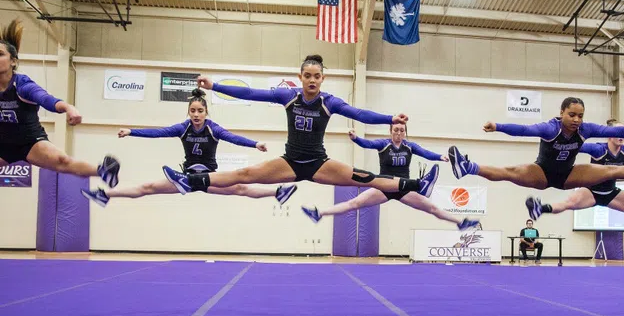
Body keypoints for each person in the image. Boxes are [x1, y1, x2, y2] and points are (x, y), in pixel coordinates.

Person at [161, 54, 439, 199]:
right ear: (300, 76)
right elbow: (251, 93)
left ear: (323, 78)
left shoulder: (330, 102)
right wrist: (215, 86)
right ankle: (190, 181)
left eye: (317, 76)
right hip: (290, 161)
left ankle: (418, 185)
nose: (312, 80)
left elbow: (360, 113)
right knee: (244, 173)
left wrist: (389, 118)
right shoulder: (288, 96)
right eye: (307, 76)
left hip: (319, 162)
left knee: (367, 178)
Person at [80, 89, 296, 207]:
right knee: (148, 187)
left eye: (200, 111)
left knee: (241, 189)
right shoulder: (183, 128)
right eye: (192, 110)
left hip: (210, 178)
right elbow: (159, 132)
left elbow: (232, 137)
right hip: (186, 178)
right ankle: (105, 195)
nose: (195, 114)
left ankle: (277, 192)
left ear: (205, 112)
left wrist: (255, 144)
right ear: (188, 111)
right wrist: (132, 131)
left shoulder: (213, 129)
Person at [446, 97, 624, 191]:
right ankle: (468, 167)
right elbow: (524, 131)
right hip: (542, 174)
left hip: (569, 175)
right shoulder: (550, 128)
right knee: (510, 172)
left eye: (580, 115)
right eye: (572, 115)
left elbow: (618, 130)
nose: (576, 120)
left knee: (613, 170)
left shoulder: (586, 129)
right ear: (562, 113)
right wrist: (497, 126)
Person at [0, 18, 120, 187]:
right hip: (3, 144)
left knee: (63, 162)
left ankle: (105, 171)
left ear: (13, 61)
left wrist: (68, 108)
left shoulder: (22, 85)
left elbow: (46, 99)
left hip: (29, 142)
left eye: (0, 54)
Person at [301, 125, 480, 230]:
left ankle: (460, 223)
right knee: (354, 204)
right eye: (396, 130)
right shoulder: (383, 144)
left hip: (403, 188)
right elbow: (367, 144)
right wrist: (356, 138)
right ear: (391, 131)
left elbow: (425, 153)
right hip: (385, 185)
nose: (398, 133)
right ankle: (319, 213)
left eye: (402, 131)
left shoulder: (410, 146)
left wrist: (439, 157)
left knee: (432, 208)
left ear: (405, 133)